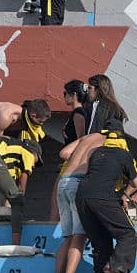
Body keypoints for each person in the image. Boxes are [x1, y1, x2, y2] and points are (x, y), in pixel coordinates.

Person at [55, 128, 131, 273]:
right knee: (79, 235)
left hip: (64, 181)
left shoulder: (89, 137)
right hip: (79, 182)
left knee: (68, 236)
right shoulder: (109, 144)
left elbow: (63, 153)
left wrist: (77, 160)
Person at [75, 130, 137, 273]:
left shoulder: (96, 152)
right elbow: (135, 182)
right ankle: (117, 267)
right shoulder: (123, 154)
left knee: (101, 240)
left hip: (82, 197)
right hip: (102, 197)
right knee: (127, 233)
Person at [49, 79, 89, 221]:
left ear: (74, 95)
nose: (64, 96)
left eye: (65, 93)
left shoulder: (78, 113)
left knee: (56, 200)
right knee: (57, 200)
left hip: (72, 162)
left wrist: (73, 160)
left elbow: (82, 139)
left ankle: (52, 226)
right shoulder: (77, 113)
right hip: (70, 161)